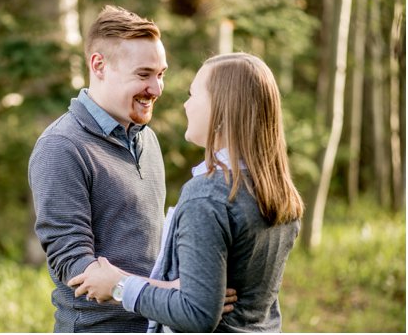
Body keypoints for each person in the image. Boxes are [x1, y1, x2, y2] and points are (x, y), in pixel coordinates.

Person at [70, 51, 303, 332]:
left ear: (220, 109)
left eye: (193, 95)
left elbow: (197, 313)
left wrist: (120, 287)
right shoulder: (273, 190)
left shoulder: (208, 194)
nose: (186, 105)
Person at [28, 6, 170, 335]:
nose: (157, 88)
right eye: (144, 74)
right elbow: (74, 265)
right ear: (99, 66)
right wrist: (164, 294)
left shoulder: (148, 139)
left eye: (161, 74)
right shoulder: (62, 146)